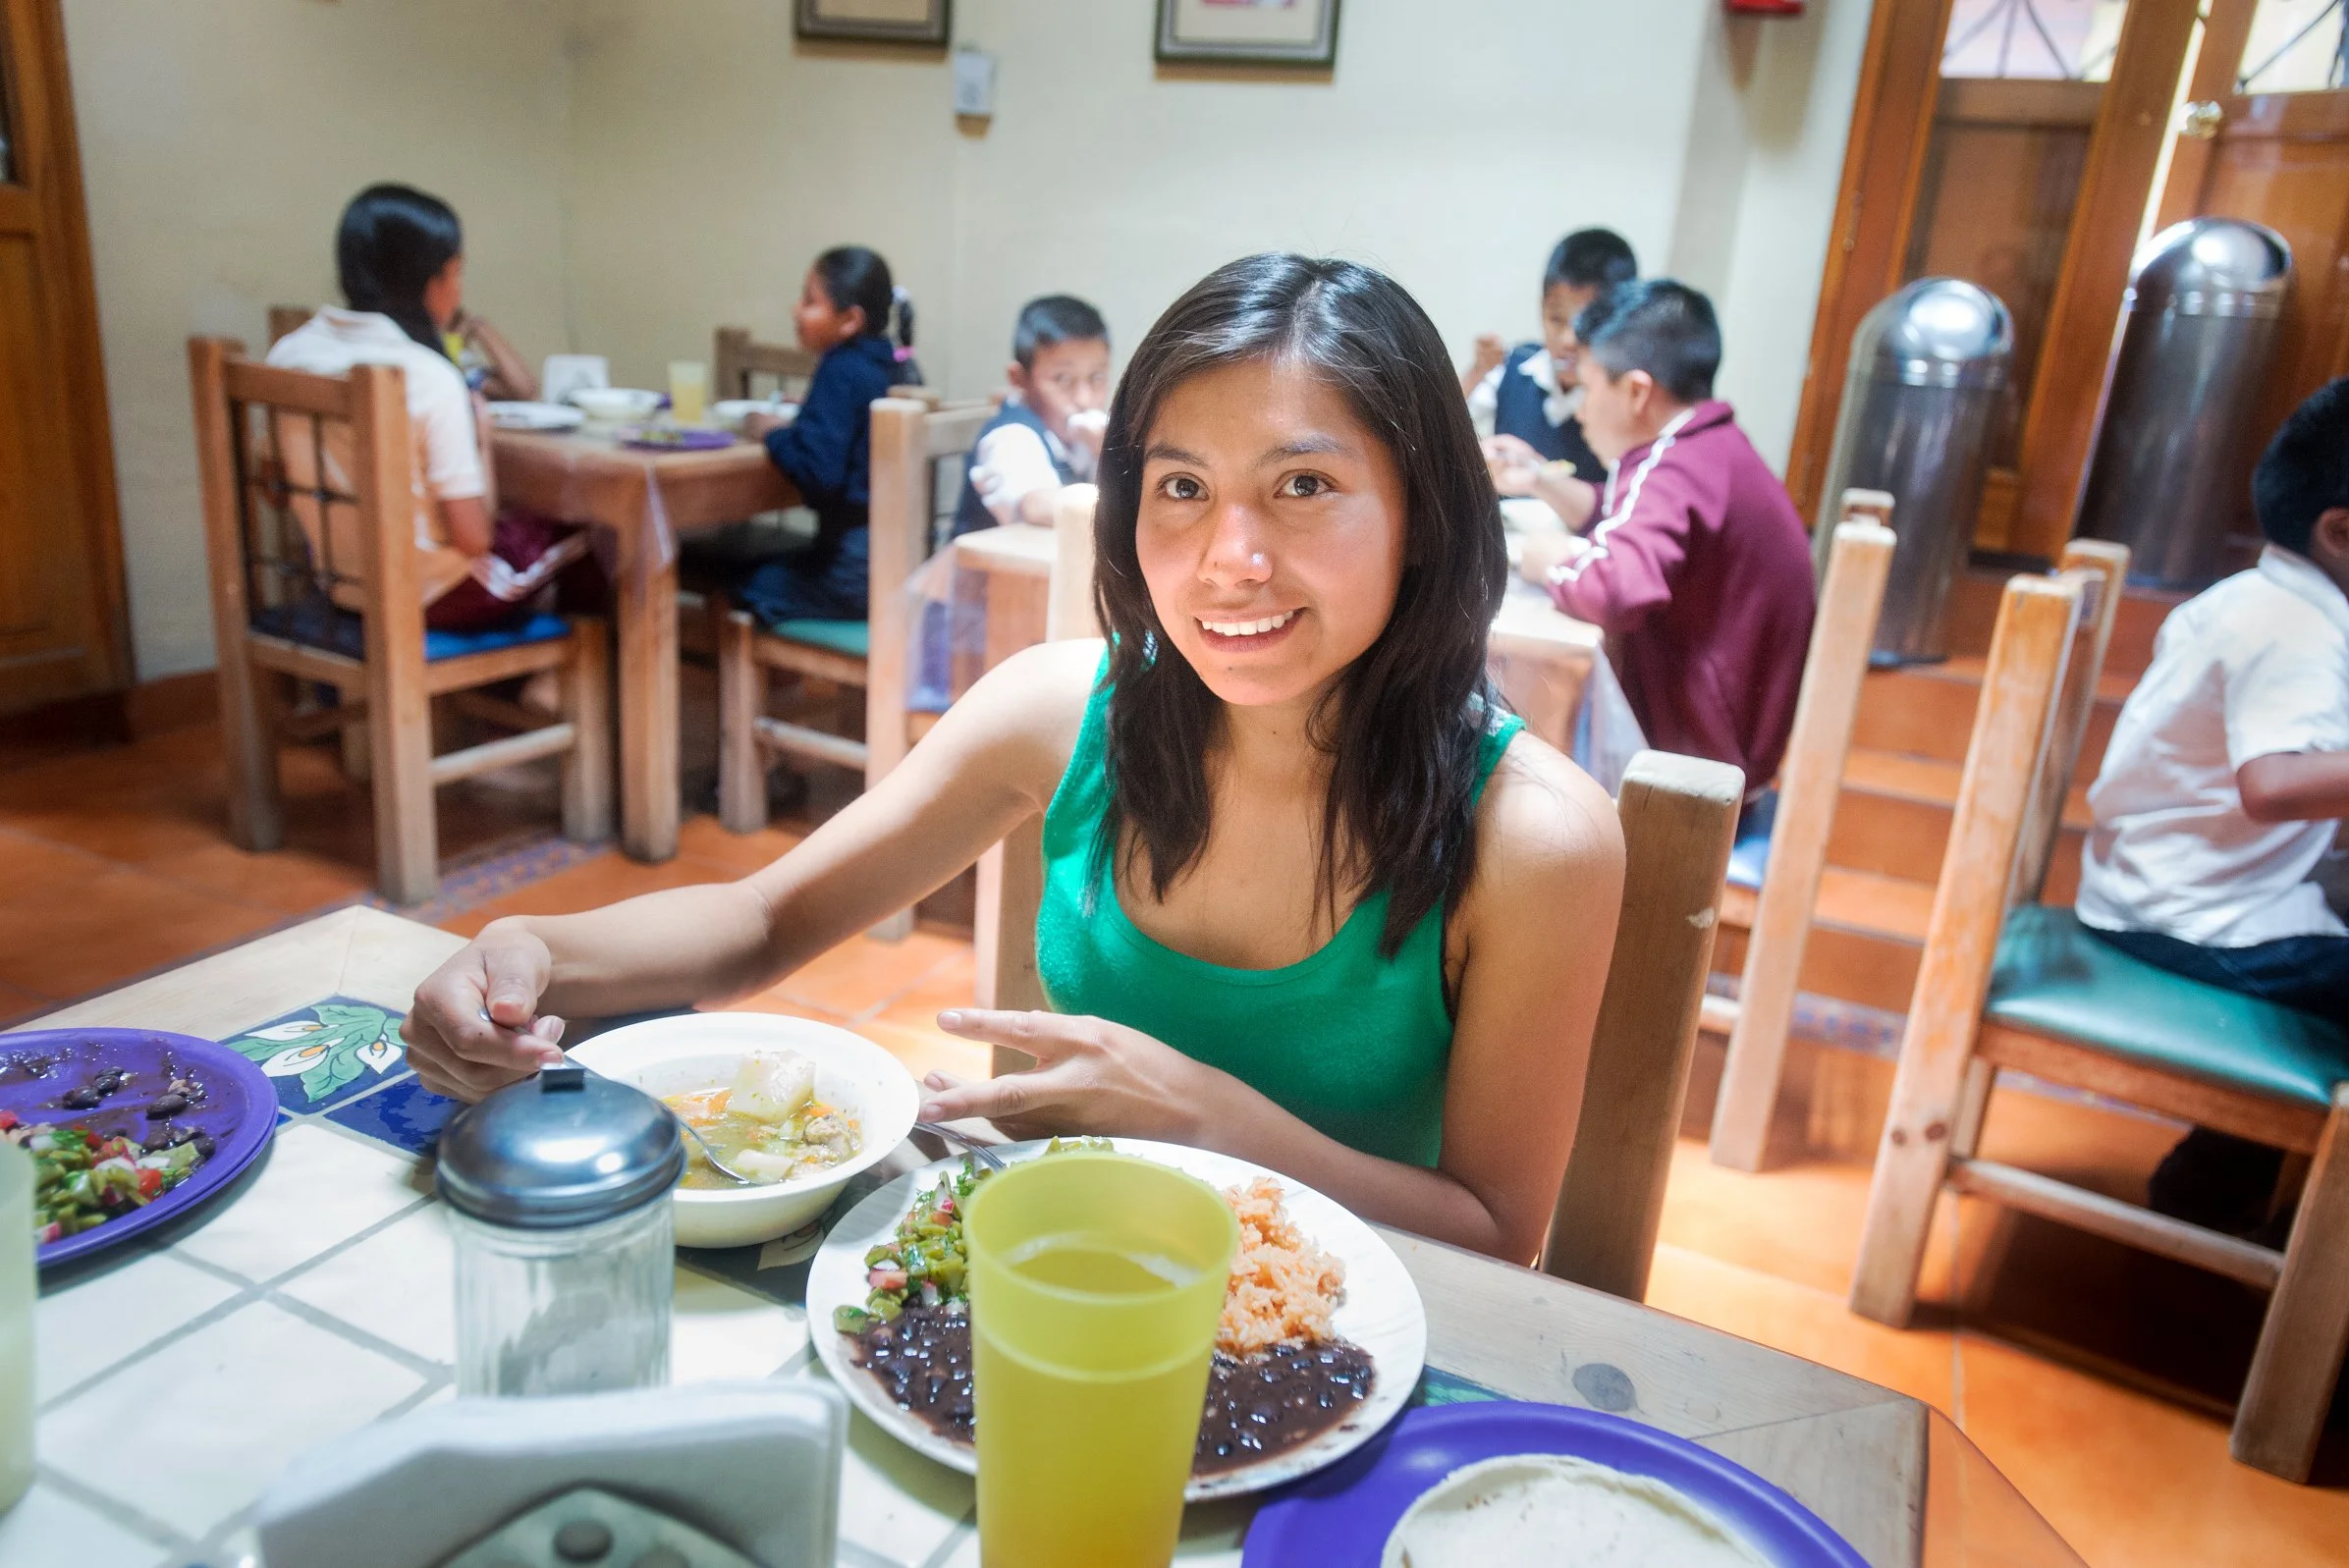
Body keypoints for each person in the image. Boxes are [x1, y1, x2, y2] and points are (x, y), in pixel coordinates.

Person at [402, 253, 1626, 1264]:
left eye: (1302, 483)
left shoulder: (1530, 838)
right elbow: (762, 921)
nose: (1228, 557)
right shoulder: (1062, 710)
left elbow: (1496, 1233)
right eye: (1183, 486)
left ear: (1425, 517)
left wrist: (1203, 1118)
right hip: (1054, 1284)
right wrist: (530, 954)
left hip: (1332, 1330)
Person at [2075, 378, 2349, 1235]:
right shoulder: (2300, 629)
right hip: (2189, 915)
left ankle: (2214, 1180)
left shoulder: (2259, 599)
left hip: (2154, 889)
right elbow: (2271, 784)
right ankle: (2260, 1217)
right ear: (2340, 531)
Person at [1516, 280, 1815, 795]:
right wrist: (1539, 479)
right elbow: (1617, 513)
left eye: (1589, 389)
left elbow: (1615, 590)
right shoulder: (1707, 447)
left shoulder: (1671, 463)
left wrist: (1548, 562)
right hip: (1731, 751)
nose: (1583, 411)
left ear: (1636, 392)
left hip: (1693, 768)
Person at [267, 184, 597, 638]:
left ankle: (517, 682)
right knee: (592, 533)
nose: (458, 293)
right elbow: (474, 540)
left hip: (339, 585)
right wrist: (479, 439)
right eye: (456, 273)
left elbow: (273, 485)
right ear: (430, 280)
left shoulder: (290, 353)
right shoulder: (426, 375)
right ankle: (549, 687)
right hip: (435, 594)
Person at [733, 245, 918, 624]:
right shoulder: (896, 364)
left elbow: (820, 474)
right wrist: (812, 409)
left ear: (850, 319)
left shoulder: (842, 368)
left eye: (810, 301)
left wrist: (773, 433)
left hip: (852, 574)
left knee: (746, 583)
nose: (796, 311)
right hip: (901, 564)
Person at [1466, 227, 1637, 530]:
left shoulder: (1625, 397)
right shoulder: (1515, 367)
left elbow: (1623, 504)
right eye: (1556, 319)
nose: (1568, 339)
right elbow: (1445, 422)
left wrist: (1538, 475)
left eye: (1586, 324)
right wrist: (1477, 371)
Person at [951, 295, 1112, 538]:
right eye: (1063, 380)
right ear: (1018, 379)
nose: (1084, 399)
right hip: (990, 574)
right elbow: (1034, 505)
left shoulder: (1085, 439)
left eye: (1097, 378)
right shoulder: (1011, 434)